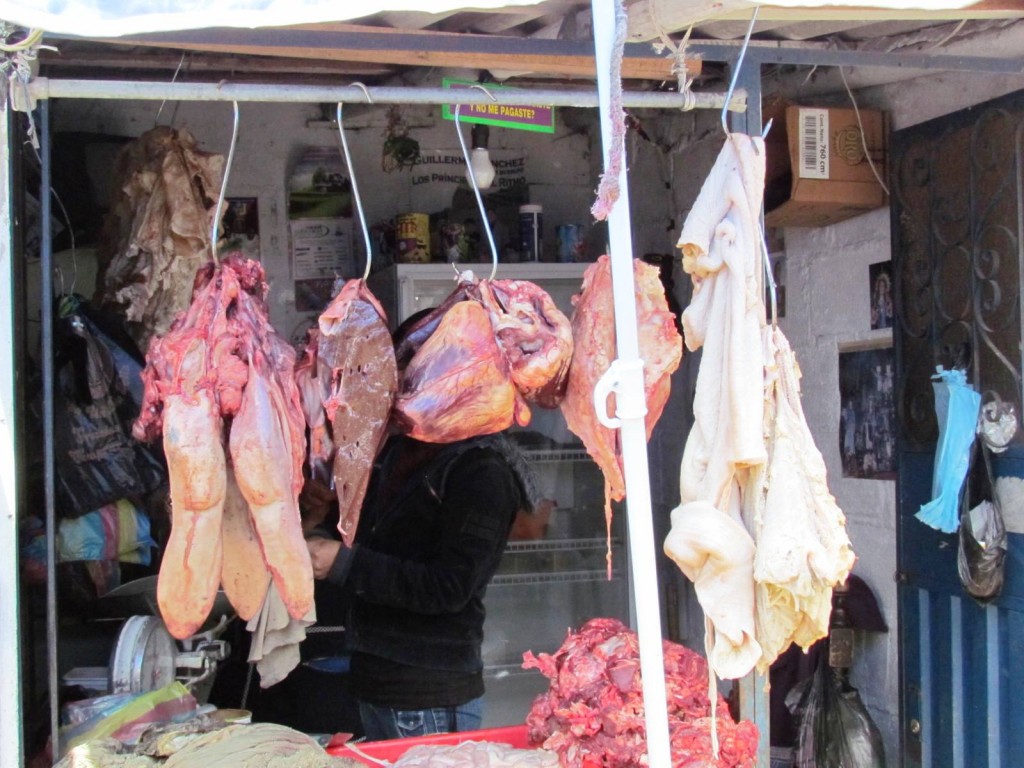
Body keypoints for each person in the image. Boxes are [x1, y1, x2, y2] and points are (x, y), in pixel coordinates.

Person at [303, 313, 535, 742]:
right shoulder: (406, 450)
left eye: (411, 370)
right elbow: (387, 542)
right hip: (376, 681)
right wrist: (329, 523)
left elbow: (449, 587)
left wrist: (344, 564)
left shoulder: (481, 469)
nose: (400, 384)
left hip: (425, 695)